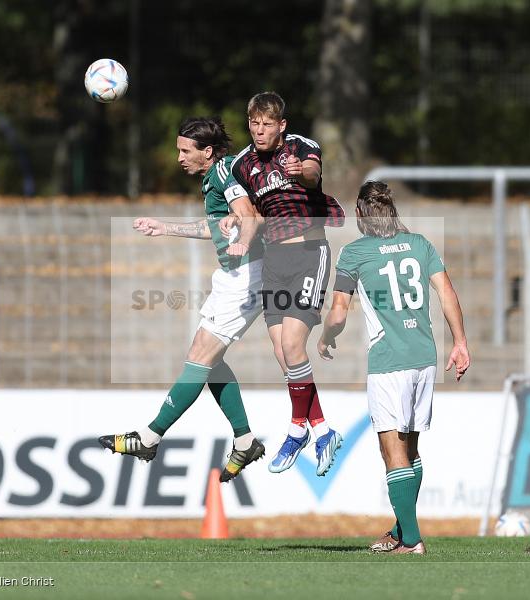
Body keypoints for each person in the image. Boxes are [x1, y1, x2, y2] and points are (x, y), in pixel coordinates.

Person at [98, 116, 266, 483]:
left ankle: (150, 436)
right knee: (209, 361)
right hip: (234, 274)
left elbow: (247, 215)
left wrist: (244, 239)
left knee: (198, 359)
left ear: (207, 151)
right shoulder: (215, 177)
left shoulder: (224, 170)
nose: (178, 158)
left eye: (184, 150)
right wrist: (167, 228)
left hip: (248, 274)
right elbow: (216, 226)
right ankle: (246, 439)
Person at [317, 181, 470, 554]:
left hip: (389, 361)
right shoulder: (420, 245)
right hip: (424, 357)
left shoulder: (353, 253)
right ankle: (402, 530)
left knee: (392, 451)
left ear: (359, 216)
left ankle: (412, 540)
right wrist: (461, 342)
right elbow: (446, 291)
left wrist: (325, 336)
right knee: (411, 449)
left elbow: (338, 312)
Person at [227, 91, 346, 476]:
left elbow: (312, 172)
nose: (259, 132)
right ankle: (322, 429)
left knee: (294, 343)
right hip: (274, 259)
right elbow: (249, 212)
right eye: (253, 124)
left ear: (281, 126)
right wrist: (239, 226)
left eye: (267, 125)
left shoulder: (300, 147)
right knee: (281, 351)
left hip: (309, 252)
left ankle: (298, 429)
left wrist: (301, 172)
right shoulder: (243, 164)